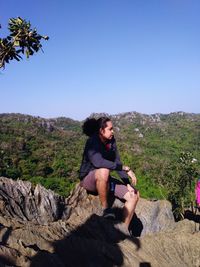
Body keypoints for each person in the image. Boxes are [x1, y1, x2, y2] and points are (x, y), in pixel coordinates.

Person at [79, 116, 139, 234]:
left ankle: (123, 230)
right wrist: (125, 169)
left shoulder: (111, 142)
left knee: (134, 195)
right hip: (89, 179)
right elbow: (98, 162)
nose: (113, 131)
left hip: (105, 180)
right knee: (104, 171)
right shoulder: (92, 141)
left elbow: (117, 162)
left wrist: (127, 184)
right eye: (110, 129)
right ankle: (106, 209)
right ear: (101, 131)